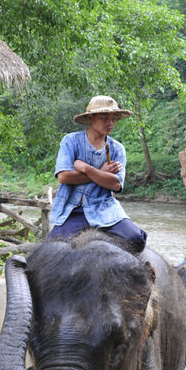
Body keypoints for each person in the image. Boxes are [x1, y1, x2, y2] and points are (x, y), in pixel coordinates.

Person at [48, 95, 147, 253]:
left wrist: (87, 169)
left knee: (136, 239)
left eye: (114, 119)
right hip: (75, 209)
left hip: (106, 208)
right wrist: (102, 174)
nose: (110, 123)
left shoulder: (117, 149)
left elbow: (115, 184)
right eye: (104, 118)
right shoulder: (70, 141)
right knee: (52, 249)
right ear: (90, 118)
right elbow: (64, 177)